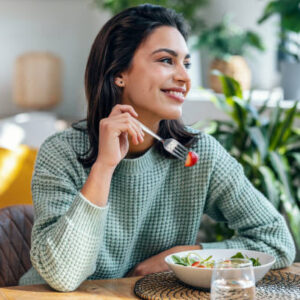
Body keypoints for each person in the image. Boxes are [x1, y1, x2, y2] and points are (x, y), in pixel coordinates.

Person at [19, 4, 295, 292]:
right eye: (166, 60)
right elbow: (62, 276)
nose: (185, 78)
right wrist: (104, 167)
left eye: (186, 64)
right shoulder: (61, 152)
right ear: (119, 73)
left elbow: (276, 241)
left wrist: (185, 257)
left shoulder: (198, 154)